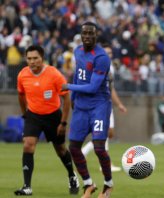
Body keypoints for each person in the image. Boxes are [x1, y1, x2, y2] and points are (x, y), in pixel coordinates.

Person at [15, 45, 79, 196]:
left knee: (61, 150)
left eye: (35, 58)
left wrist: (63, 123)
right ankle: (27, 186)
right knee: (28, 145)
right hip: (33, 116)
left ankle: (72, 175)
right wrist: (25, 115)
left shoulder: (54, 74)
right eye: (29, 58)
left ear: (42, 58)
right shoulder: (22, 75)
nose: (32, 61)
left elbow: (66, 98)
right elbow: (21, 95)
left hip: (53, 116)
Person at [61, 22, 113, 198]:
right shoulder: (77, 51)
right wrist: (74, 99)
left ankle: (108, 184)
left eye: (91, 33)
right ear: (81, 35)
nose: (88, 36)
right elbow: (78, 74)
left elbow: (92, 87)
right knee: (74, 147)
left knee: (99, 148)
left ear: (96, 36)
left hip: (99, 105)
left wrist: (69, 87)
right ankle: (89, 184)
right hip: (81, 107)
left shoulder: (102, 57)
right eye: (85, 33)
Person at [81, 44, 127, 172]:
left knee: (108, 133)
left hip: (105, 102)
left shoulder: (110, 67)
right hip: (101, 103)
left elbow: (111, 89)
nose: (109, 55)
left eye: (110, 53)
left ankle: (87, 152)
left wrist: (118, 104)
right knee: (104, 132)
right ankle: (104, 163)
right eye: (106, 52)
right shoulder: (101, 66)